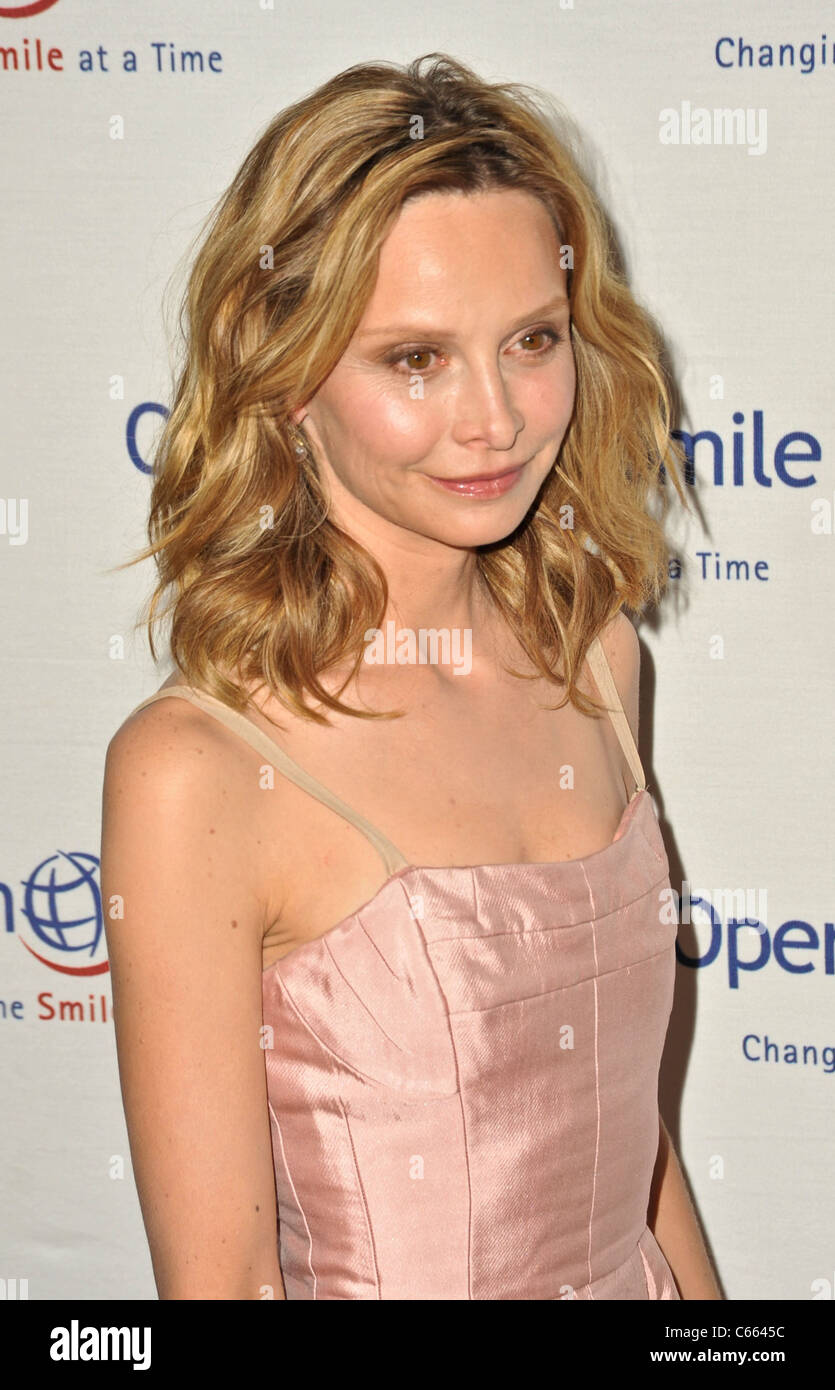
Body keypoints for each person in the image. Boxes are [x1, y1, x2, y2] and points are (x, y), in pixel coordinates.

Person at [101, 52, 722, 1301]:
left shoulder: (595, 659)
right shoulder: (199, 771)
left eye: (531, 340)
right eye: (416, 359)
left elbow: (633, 1153)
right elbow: (220, 1283)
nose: (494, 419)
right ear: (284, 378)